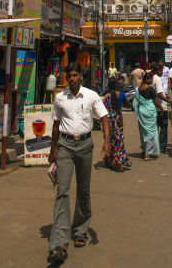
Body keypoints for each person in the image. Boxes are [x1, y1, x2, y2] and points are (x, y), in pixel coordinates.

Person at [48, 63, 111, 263]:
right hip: (65, 146)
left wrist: (107, 141)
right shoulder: (60, 98)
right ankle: (58, 242)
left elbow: (104, 117)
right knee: (62, 191)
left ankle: (81, 230)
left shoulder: (91, 95)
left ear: (81, 76)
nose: (72, 78)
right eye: (69, 75)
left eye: (75, 75)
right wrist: (53, 149)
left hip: (85, 146)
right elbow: (56, 125)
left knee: (83, 190)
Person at [102, 77, 132, 172]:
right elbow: (127, 103)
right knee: (119, 140)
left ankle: (111, 160)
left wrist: (101, 124)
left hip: (108, 121)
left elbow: (102, 112)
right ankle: (119, 159)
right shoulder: (121, 94)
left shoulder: (106, 97)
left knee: (110, 139)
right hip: (118, 120)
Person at [133, 72, 163, 160]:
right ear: (146, 79)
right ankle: (147, 154)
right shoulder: (151, 89)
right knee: (151, 133)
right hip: (150, 113)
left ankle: (144, 150)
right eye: (150, 79)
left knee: (143, 132)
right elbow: (156, 102)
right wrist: (161, 108)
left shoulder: (138, 89)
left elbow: (136, 102)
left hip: (142, 113)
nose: (152, 81)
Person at [152, 64, 172, 153]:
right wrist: (169, 102)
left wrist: (165, 96)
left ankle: (155, 146)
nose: (162, 72)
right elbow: (159, 93)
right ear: (156, 71)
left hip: (155, 107)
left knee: (155, 129)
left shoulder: (153, 79)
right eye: (160, 71)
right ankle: (162, 147)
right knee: (163, 127)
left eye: (162, 70)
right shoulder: (158, 79)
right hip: (161, 108)